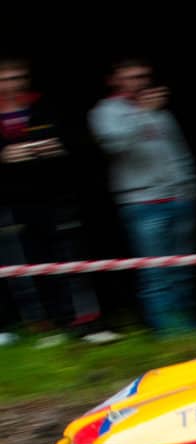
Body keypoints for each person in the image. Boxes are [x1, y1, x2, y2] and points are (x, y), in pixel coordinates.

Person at [0, 57, 120, 347]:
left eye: (17, 77)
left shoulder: (45, 107)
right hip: (10, 203)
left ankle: (87, 322)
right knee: (24, 267)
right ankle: (45, 327)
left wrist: (56, 147)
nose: (11, 84)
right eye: (5, 79)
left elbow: (80, 142)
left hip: (55, 197)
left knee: (71, 261)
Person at [88, 57, 196, 335]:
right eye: (133, 76)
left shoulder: (159, 109)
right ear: (115, 80)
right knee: (156, 273)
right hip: (142, 203)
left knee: (183, 269)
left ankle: (188, 329)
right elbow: (116, 146)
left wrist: (189, 186)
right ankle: (168, 332)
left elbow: (178, 149)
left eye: (144, 76)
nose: (140, 82)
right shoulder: (105, 112)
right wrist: (142, 113)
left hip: (179, 197)